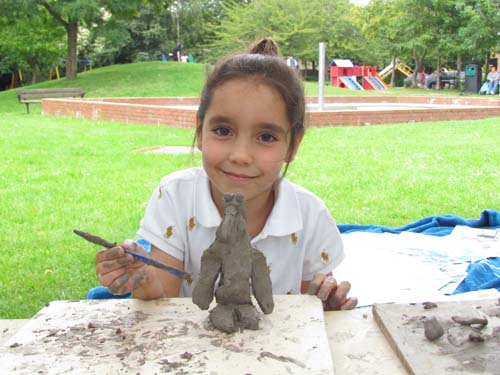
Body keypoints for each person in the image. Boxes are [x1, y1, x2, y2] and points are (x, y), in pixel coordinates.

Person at [94, 37, 357, 311]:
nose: (240, 155)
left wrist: (327, 304)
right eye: (223, 131)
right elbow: (161, 301)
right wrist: (143, 279)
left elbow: (310, 308)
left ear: (293, 145)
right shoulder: (175, 195)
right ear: (200, 132)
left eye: (266, 136)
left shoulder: (310, 215)